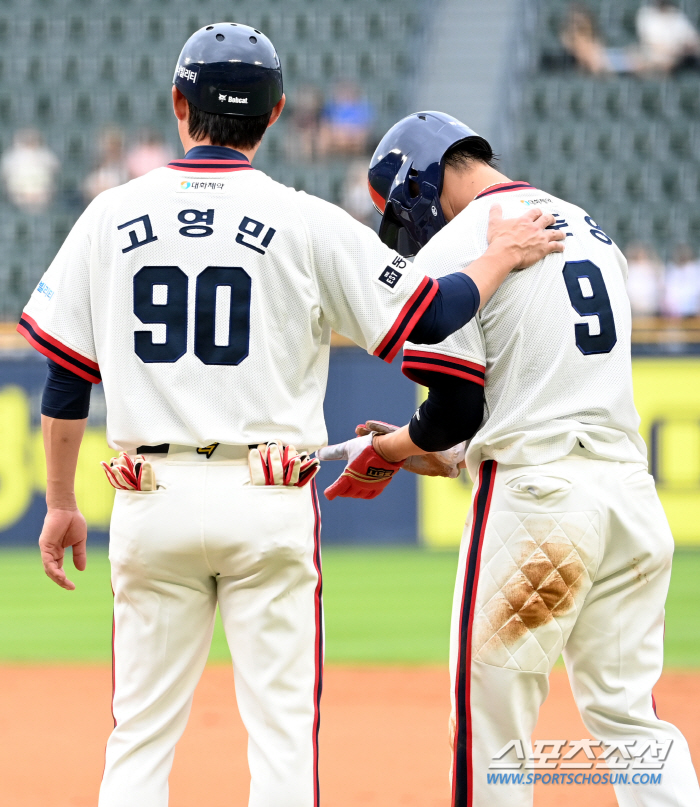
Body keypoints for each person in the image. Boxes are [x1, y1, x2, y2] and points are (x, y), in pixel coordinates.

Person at [16, 26, 562, 807]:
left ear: (179, 104)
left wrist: (63, 500)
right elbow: (433, 314)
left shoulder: (110, 215)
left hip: (149, 495)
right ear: (274, 115)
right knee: (282, 742)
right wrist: (500, 254)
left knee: (137, 739)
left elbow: (67, 376)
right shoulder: (304, 218)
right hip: (266, 497)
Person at [320, 111, 700, 807]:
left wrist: (390, 449)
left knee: (491, 726)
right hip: (629, 498)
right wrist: (453, 455)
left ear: (418, 186)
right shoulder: (590, 227)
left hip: (538, 505)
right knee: (631, 721)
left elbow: (453, 411)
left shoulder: (461, 246)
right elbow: (541, 386)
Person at [0, 128, 59, 212]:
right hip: (19, 194)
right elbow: (5, 173)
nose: (30, 141)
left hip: (42, 194)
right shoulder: (11, 157)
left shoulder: (45, 154)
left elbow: (55, 169)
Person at [637, 0, 700, 74]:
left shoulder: (675, 13)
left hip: (683, 54)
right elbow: (652, 43)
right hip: (659, 56)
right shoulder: (646, 14)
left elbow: (692, 37)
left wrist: (685, 47)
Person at [82, 126, 128, 201]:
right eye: (107, 144)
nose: (109, 148)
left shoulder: (126, 166)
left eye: (113, 144)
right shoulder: (95, 166)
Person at [626, 243, 664, 317]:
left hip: (650, 307)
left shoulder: (652, 267)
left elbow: (659, 284)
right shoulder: (630, 267)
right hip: (633, 308)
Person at [664, 244, 700, 318]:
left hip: (693, 310)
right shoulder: (672, 269)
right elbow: (669, 291)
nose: (682, 254)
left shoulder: (695, 268)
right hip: (675, 313)